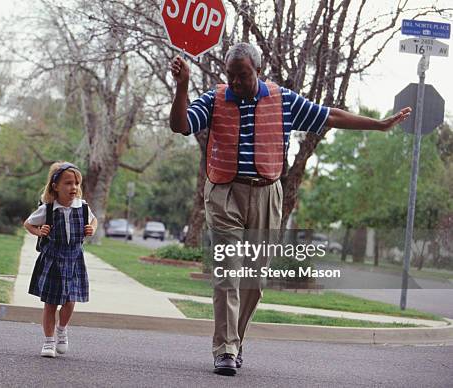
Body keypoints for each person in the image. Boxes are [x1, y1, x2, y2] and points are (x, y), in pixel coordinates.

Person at [168, 42, 411, 376]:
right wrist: (182, 87)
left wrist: (378, 124)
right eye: (231, 76)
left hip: (268, 193)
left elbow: (330, 115)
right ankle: (224, 349)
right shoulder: (214, 98)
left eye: (243, 75)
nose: (236, 82)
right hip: (225, 192)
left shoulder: (283, 100)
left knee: (254, 278)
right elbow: (180, 125)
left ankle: (235, 339)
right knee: (227, 272)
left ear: (258, 68)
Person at [24, 161, 97, 358]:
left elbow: (94, 220)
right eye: (68, 183)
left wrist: (92, 229)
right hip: (53, 260)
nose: (73, 187)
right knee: (50, 303)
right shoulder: (48, 209)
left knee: (70, 300)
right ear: (55, 186)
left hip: (74, 259)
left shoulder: (82, 207)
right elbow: (28, 224)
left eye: (76, 183)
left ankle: (62, 329)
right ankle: (48, 342)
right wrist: (39, 231)